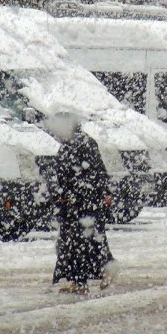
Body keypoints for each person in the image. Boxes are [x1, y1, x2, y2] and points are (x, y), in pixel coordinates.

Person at [45, 112, 116, 295]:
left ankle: (93, 275)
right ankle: (81, 280)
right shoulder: (70, 145)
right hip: (75, 204)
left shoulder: (82, 144)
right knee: (79, 243)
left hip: (83, 203)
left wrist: (76, 194)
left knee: (83, 242)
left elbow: (96, 172)